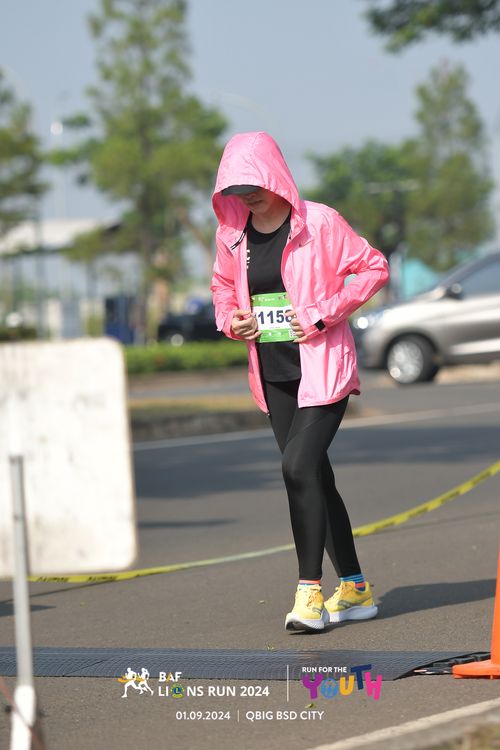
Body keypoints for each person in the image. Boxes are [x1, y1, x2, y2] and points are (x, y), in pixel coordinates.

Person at [210, 131, 390, 632]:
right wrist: (232, 321)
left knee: (296, 467)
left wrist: (322, 313)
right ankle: (355, 587)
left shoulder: (320, 222)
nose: (247, 195)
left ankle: (309, 594)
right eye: (235, 188)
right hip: (272, 374)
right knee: (314, 478)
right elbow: (223, 288)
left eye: (254, 184)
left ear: (274, 176)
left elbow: (373, 268)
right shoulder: (232, 236)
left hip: (323, 369)